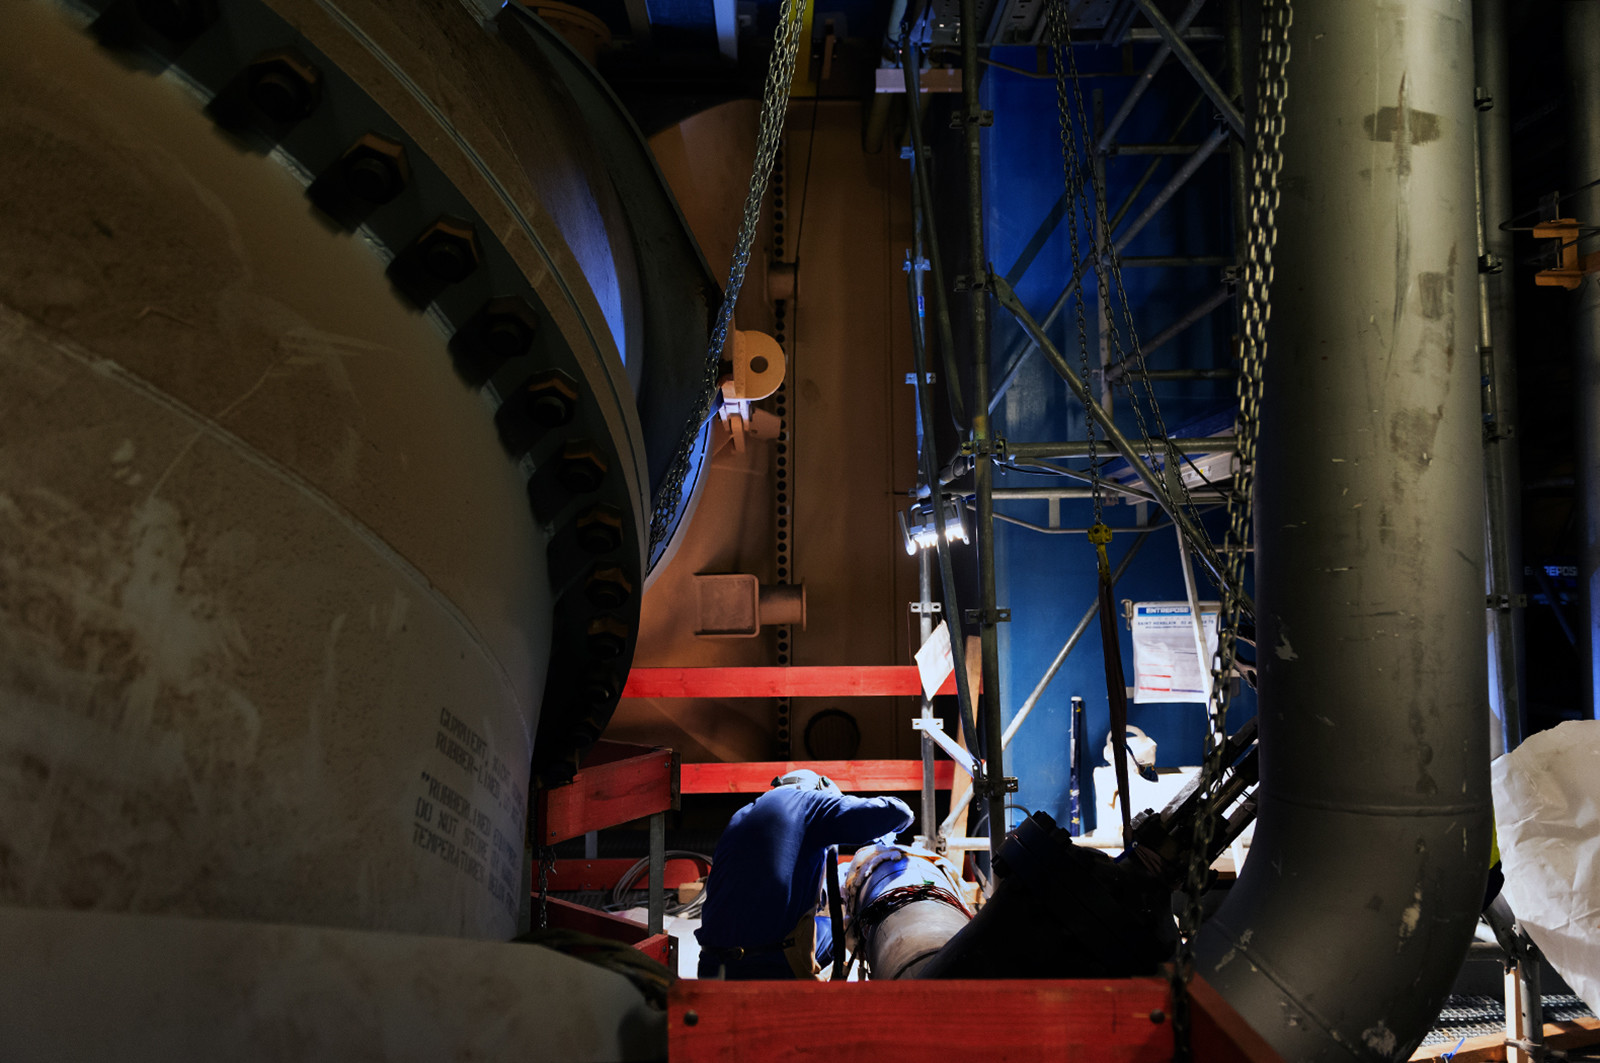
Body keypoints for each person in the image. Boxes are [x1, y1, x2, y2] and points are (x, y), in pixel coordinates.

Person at [695, 769, 913, 980]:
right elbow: (898, 812)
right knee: (840, 933)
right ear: (822, 789)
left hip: (711, 965)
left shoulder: (743, 814)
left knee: (821, 928)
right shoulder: (811, 802)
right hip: (766, 967)